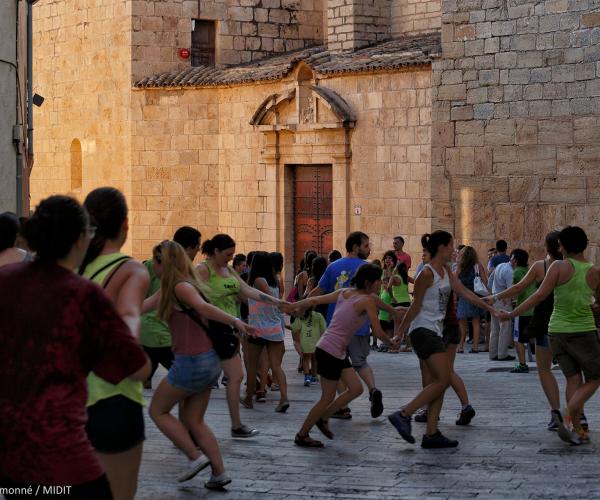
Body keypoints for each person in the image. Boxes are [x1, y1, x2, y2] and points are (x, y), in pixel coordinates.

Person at [0, 195, 150, 499]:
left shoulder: (5, 280)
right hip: (64, 455)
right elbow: (135, 368)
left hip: (11, 454)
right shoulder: (83, 296)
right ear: (81, 238)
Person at [148, 241, 258, 488]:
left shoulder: (180, 287)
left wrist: (236, 321)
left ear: (163, 263)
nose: (152, 266)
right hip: (208, 363)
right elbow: (138, 308)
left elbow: (204, 308)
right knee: (195, 420)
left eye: (155, 261)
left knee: (157, 410)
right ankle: (218, 473)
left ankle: (194, 457)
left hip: (191, 362)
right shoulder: (176, 287)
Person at [388, 231, 496, 448]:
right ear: (442, 247)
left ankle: (431, 433)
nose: (454, 251)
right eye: (451, 246)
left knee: (441, 381)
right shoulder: (426, 274)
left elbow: (464, 292)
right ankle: (404, 414)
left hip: (435, 331)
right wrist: (399, 332)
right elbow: (415, 306)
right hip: (423, 330)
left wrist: (488, 306)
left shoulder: (446, 270)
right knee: (443, 379)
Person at [79, 187, 151, 500]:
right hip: (115, 400)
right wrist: (138, 361)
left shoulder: (73, 267)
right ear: (125, 224)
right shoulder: (131, 269)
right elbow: (129, 316)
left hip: (70, 403)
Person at [499, 226, 600, 445]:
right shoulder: (594, 271)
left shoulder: (557, 268)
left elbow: (539, 295)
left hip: (556, 331)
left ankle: (576, 428)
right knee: (595, 378)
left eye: (561, 244)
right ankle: (567, 415)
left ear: (565, 246)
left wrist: (512, 314)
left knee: (573, 378)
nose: (559, 248)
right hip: (582, 331)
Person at [292, 264, 398, 447]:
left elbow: (314, 300)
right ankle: (302, 434)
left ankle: (324, 418)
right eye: (379, 280)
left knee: (356, 388)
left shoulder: (345, 292)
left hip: (334, 351)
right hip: (329, 352)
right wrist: (392, 342)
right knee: (327, 397)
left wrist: (293, 305)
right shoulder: (366, 301)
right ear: (368, 282)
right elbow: (379, 333)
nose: (382, 282)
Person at [196, 235, 272, 437]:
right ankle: (192, 425)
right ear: (215, 251)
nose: (230, 259)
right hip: (209, 330)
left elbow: (247, 291)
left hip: (228, 330)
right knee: (201, 382)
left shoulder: (228, 270)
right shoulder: (202, 271)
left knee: (235, 376)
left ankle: (236, 426)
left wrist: (278, 303)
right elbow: (193, 300)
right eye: (227, 254)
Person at [488, 231, 563, 430]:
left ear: (546, 247)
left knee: (544, 369)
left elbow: (518, 289)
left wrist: (495, 298)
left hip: (547, 323)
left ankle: (556, 411)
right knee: (573, 375)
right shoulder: (574, 267)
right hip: (573, 326)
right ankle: (578, 417)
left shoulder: (541, 267)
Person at [309, 232, 385, 419]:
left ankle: (343, 407)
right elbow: (373, 298)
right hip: (359, 326)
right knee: (360, 362)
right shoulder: (368, 269)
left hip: (336, 328)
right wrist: (391, 311)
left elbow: (319, 291)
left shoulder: (333, 266)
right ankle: (373, 389)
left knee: (338, 366)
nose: (369, 250)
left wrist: (303, 304)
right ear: (354, 247)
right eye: (366, 246)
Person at [242, 251, 290, 412]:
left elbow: (268, 298)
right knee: (276, 365)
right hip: (274, 328)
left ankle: (249, 398)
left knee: (252, 365)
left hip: (259, 328)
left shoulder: (258, 280)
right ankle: (284, 398)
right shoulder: (274, 280)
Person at [140, 242, 173, 389]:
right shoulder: (173, 283)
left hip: (158, 332)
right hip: (157, 330)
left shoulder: (177, 283)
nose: (152, 263)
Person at [507, 249, 537, 373]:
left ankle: (522, 364)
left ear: (515, 260)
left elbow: (516, 289)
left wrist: (504, 297)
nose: (511, 260)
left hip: (523, 310)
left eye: (512, 258)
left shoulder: (517, 272)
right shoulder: (531, 270)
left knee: (518, 339)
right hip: (535, 308)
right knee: (537, 336)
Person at [455, 246, 488, 354]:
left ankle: (461, 346)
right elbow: (485, 281)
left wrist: (455, 298)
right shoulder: (478, 266)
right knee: (476, 321)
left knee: (462, 322)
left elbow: (454, 282)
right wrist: (489, 294)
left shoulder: (460, 267)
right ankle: (475, 347)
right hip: (476, 296)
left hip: (464, 295)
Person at [489, 256, 516, 361]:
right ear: (515, 261)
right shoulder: (510, 271)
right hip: (503, 300)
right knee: (505, 328)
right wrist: (509, 299)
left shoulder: (500, 265)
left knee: (495, 328)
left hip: (494, 298)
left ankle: (493, 353)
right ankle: (502, 354)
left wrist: (491, 293)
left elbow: (491, 279)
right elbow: (511, 289)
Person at [291, 307, 327, 386]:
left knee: (306, 359)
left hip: (305, 342)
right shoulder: (318, 315)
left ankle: (307, 377)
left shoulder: (300, 316)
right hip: (316, 342)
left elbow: (294, 328)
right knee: (315, 360)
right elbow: (324, 328)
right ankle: (314, 376)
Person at [376, 251, 398, 351]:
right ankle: (386, 342)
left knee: (390, 324)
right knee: (383, 323)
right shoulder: (381, 271)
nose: (387, 260)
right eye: (386, 258)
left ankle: (390, 343)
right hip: (382, 299)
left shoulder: (394, 271)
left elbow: (390, 283)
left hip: (391, 299)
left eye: (390, 258)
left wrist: (390, 269)